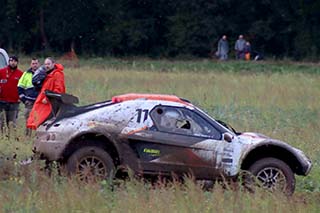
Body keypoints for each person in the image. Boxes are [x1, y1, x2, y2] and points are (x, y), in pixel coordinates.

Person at [27, 57, 65, 130]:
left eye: (48, 64)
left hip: (50, 103)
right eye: (45, 64)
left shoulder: (57, 74)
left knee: (43, 121)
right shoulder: (48, 74)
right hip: (43, 101)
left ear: (53, 64)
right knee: (35, 119)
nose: (46, 66)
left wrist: (47, 98)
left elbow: (58, 89)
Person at [0, 55, 23, 136]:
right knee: (1, 122)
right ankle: (2, 137)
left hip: (14, 102)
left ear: (17, 62)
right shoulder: (2, 72)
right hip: (2, 101)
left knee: (12, 122)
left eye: (15, 61)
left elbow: (23, 87)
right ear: (8, 62)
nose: (13, 63)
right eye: (11, 61)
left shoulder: (20, 74)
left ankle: (11, 137)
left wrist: (21, 97)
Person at [17, 58, 40, 136]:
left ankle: (37, 137)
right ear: (31, 64)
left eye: (36, 63)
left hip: (39, 102)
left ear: (39, 64)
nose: (34, 65)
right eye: (33, 63)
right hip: (29, 102)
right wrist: (23, 99)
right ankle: (28, 137)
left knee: (39, 120)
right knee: (28, 120)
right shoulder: (26, 74)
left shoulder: (43, 74)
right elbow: (20, 86)